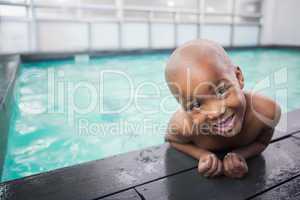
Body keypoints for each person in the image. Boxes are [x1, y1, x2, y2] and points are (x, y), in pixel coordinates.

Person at [164, 39, 281, 178]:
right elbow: (172, 140)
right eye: (195, 105)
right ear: (184, 109)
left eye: (221, 91)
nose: (215, 112)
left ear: (238, 77)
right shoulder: (183, 125)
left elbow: (261, 142)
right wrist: (202, 155)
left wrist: (241, 154)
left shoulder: (266, 113)